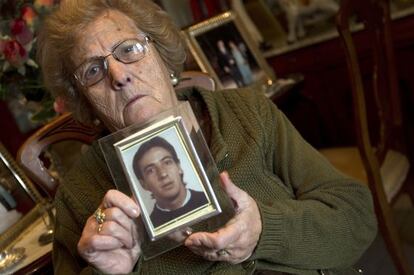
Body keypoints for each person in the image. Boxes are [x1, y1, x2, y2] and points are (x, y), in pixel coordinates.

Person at [37, 0, 377, 274]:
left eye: (128, 50)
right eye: (93, 71)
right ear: (83, 100)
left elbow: (356, 216)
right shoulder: (80, 195)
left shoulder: (247, 113)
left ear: (163, 58)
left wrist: (264, 229)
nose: (119, 75)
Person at [132, 136, 208, 227]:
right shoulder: (152, 227)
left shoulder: (208, 200)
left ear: (179, 167)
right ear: (143, 184)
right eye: (150, 170)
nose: (163, 174)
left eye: (167, 162)